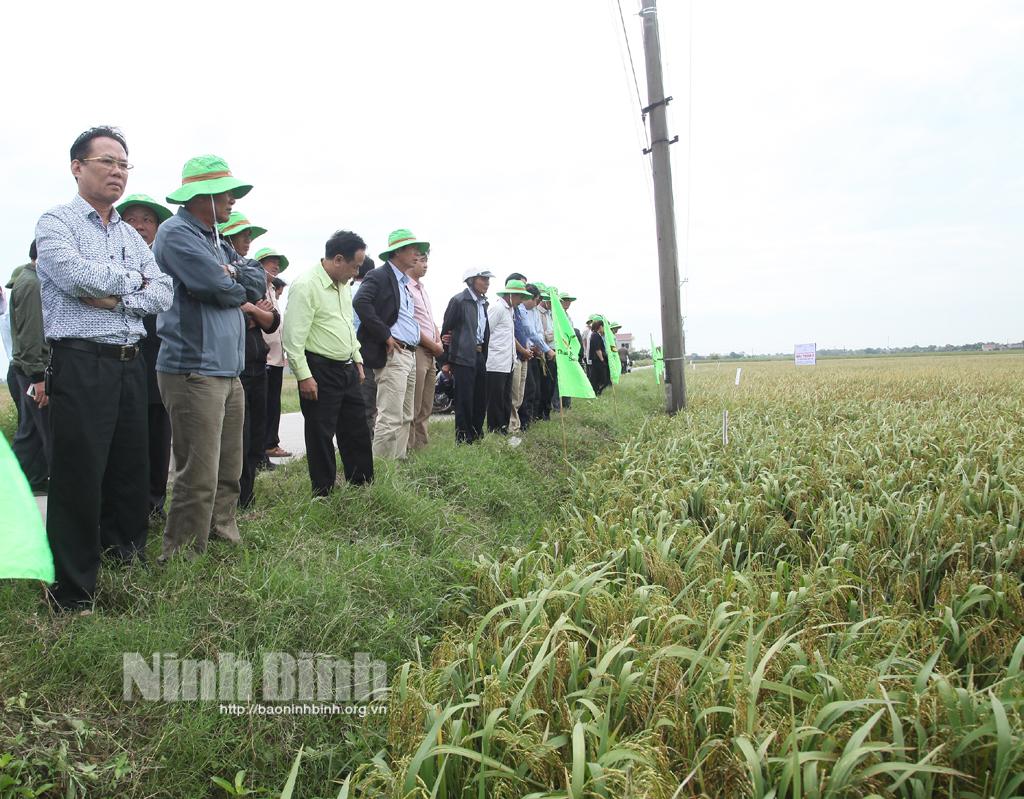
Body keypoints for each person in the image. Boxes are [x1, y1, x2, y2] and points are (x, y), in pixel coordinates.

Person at [35, 126, 173, 611]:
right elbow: (75, 278)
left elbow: (162, 292)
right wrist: (131, 288)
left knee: (129, 470)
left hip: (130, 364)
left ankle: (125, 562)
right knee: (78, 475)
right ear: (78, 167)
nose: (117, 171)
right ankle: (71, 592)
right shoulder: (56, 223)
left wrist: (115, 293)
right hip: (81, 362)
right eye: (107, 161)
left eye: (124, 164)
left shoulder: (129, 234)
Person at [154, 154, 265, 560]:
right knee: (197, 472)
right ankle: (183, 554)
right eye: (226, 193)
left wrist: (232, 275)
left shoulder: (216, 239)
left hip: (227, 370)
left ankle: (222, 533)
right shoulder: (175, 233)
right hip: (193, 369)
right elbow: (218, 289)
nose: (233, 200)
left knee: (228, 467)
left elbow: (255, 282)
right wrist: (233, 279)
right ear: (202, 196)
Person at [282, 230, 373, 497]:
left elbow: (346, 326)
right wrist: (303, 376)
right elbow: (293, 337)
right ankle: (324, 492)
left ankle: (362, 485)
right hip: (319, 369)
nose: (356, 274)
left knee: (356, 428)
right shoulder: (306, 285)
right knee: (321, 432)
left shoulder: (344, 287)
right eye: (355, 266)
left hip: (346, 368)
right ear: (337, 259)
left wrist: (357, 359)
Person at [116, 193, 173, 517]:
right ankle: (124, 507)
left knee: (156, 437)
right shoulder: (107, 261)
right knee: (123, 441)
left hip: (155, 366)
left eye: (147, 220)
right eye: (131, 219)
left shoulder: (162, 265)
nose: (138, 226)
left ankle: (154, 504)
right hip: (115, 362)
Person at [353, 229, 427, 460]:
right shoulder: (380, 275)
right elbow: (361, 302)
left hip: (409, 353)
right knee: (390, 415)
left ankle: (399, 460)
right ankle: (382, 471)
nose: (417, 254)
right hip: (394, 353)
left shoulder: (403, 282)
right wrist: (385, 335)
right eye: (412, 249)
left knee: (405, 414)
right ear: (397, 252)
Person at [8, 240, 50, 494]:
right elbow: (33, 335)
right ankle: (12, 488)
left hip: (28, 369)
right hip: (34, 371)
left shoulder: (28, 280)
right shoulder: (33, 285)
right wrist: (39, 378)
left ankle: (23, 485)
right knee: (43, 433)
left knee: (32, 432)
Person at [441, 268, 493, 444]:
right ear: (471, 280)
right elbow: (446, 332)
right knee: (464, 400)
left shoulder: (483, 303)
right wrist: (446, 361)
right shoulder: (459, 301)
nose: (487, 283)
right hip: (462, 357)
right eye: (483, 279)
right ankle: (463, 439)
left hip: (479, 355)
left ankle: (477, 434)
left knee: (480, 398)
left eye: (488, 279)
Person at [254, 248, 292, 461]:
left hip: (277, 359)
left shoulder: (271, 289)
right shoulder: (257, 287)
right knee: (264, 407)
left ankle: (271, 444)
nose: (275, 267)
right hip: (265, 357)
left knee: (273, 404)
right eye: (271, 262)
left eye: (277, 263)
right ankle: (264, 448)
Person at [405, 249, 443, 450]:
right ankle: (409, 448)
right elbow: (411, 324)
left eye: (426, 260)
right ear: (411, 262)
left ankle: (422, 446)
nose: (425, 264)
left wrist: (438, 340)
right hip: (419, 350)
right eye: (421, 260)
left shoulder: (422, 289)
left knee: (427, 404)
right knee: (414, 403)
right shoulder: (406, 288)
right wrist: (433, 344)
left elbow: (429, 319)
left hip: (432, 352)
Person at [485, 279, 531, 434]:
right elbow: (486, 333)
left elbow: (509, 336)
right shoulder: (497, 308)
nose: (521, 301)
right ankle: (494, 431)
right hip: (496, 362)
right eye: (520, 297)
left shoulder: (510, 310)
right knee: (496, 401)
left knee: (506, 400)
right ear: (511, 295)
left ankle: (503, 430)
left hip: (509, 362)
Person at [351, 256, 377, 438]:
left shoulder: (346, 290)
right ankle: (366, 442)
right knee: (367, 403)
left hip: (347, 353)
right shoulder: (368, 294)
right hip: (365, 353)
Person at [520, 284, 554, 424]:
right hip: (524, 352)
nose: (536, 303)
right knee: (527, 390)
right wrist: (546, 349)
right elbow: (530, 332)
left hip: (536, 352)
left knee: (535, 389)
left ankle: (532, 419)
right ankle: (524, 422)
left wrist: (540, 347)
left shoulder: (533, 311)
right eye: (536, 300)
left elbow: (538, 331)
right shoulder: (521, 310)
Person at [589, 319, 611, 395]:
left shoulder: (597, 335)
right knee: (601, 378)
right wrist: (602, 360)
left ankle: (598, 392)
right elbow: (597, 349)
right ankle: (596, 392)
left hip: (598, 360)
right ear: (600, 327)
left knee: (599, 378)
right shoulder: (595, 335)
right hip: (597, 360)